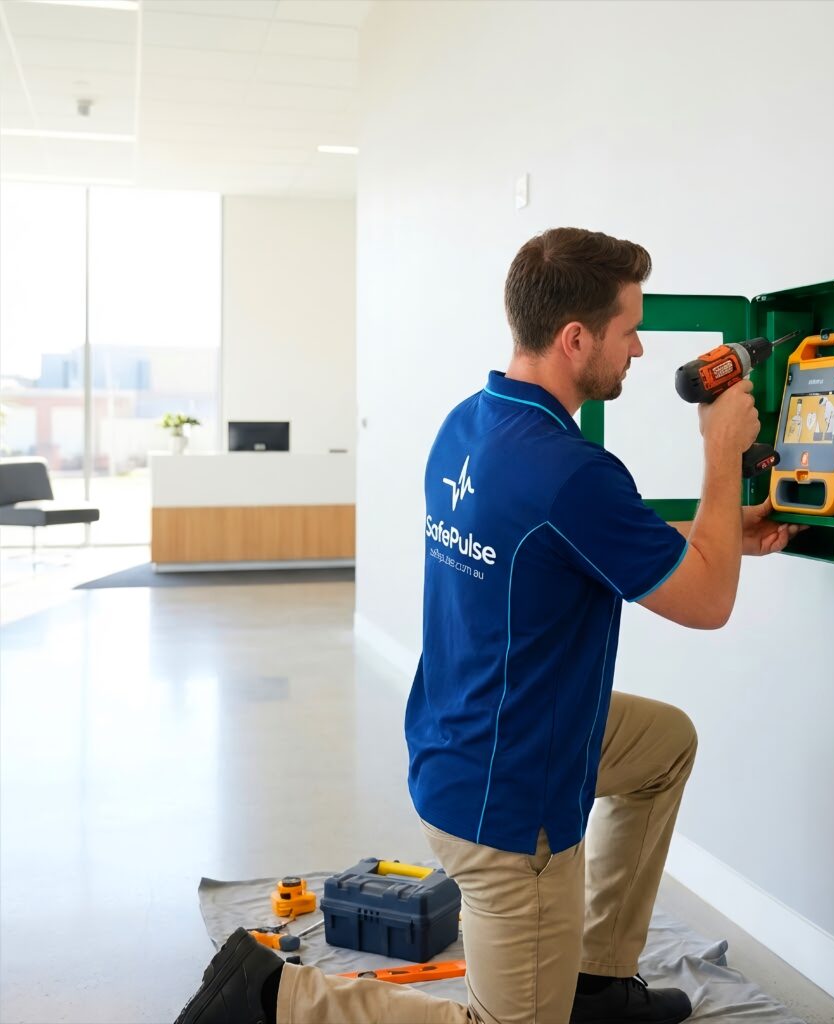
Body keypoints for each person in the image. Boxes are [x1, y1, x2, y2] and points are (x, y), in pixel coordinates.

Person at [175, 228, 797, 1024]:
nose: (639, 349)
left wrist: (717, 534)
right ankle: (274, 994)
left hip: (461, 742)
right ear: (576, 339)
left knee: (663, 744)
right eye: (629, 329)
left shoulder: (470, 425)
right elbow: (707, 604)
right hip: (511, 802)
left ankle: (596, 983)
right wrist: (720, 455)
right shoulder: (573, 473)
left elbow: (563, 542)